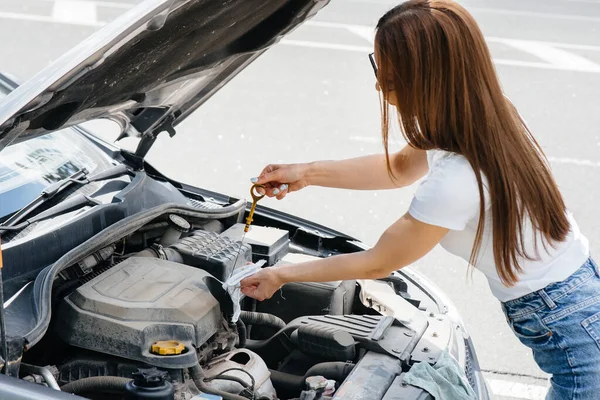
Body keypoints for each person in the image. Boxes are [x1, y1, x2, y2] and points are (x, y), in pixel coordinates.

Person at [240, 1, 597, 398]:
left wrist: (280, 275)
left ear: (429, 80)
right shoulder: (483, 119)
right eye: (377, 66)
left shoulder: (458, 179)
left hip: (564, 316)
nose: (379, 86)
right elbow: (400, 167)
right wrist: (304, 172)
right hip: (573, 293)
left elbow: (380, 261)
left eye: (390, 79)